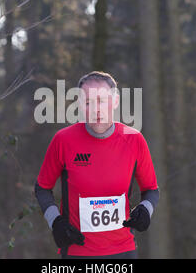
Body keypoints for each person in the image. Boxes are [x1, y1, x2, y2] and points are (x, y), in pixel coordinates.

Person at [34, 71, 159, 259]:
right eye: (87, 103)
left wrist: (145, 210)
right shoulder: (63, 140)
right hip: (78, 252)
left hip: (123, 251)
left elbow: (151, 190)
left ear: (115, 102)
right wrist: (55, 222)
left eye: (101, 101)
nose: (95, 110)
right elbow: (42, 188)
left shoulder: (134, 140)